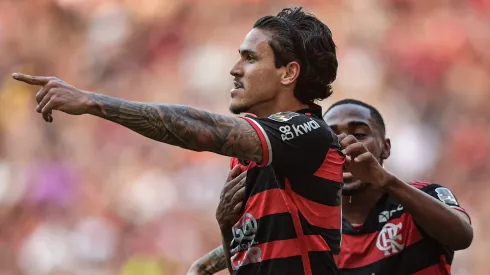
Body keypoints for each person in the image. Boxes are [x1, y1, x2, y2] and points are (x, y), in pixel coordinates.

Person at [13, 7, 344, 275]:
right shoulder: (259, 159)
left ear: (288, 73)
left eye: (250, 59)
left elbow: (194, 126)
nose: (235, 69)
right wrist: (224, 234)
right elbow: (257, 257)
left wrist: (93, 102)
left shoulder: (307, 133)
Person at [188, 99, 473, 275]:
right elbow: (247, 262)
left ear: (385, 148)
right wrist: (226, 229)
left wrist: (384, 180)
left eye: (360, 134)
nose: (347, 146)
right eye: (332, 138)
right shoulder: (312, 225)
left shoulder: (422, 197)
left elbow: (461, 236)